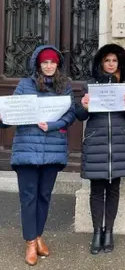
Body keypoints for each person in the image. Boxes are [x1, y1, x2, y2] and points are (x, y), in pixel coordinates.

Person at [0, 45, 75, 266]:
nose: (49, 66)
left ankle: (39, 235)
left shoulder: (65, 87)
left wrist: (53, 124)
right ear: (38, 65)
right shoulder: (25, 85)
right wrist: (3, 116)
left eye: (52, 62)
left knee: (44, 196)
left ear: (57, 64)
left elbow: (70, 115)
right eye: (45, 62)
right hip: (27, 149)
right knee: (28, 197)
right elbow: (11, 115)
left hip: (52, 149)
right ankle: (30, 242)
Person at [75, 44, 125, 254]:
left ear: (119, 64)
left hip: (118, 142)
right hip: (97, 142)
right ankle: (96, 232)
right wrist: (83, 105)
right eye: (107, 60)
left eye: (114, 61)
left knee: (113, 190)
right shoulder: (90, 85)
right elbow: (80, 115)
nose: (111, 64)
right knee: (96, 190)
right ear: (101, 63)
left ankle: (109, 231)